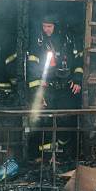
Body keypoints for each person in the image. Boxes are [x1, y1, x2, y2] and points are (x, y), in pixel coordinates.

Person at [26, 14, 83, 160]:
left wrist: (77, 80)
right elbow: (32, 68)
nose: (46, 30)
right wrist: (37, 93)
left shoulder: (68, 41)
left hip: (65, 89)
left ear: (56, 27)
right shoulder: (38, 43)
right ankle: (39, 156)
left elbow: (79, 62)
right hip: (47, 89)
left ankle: (65, 154)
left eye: (49, 26)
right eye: (44, 26)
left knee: (66, 120)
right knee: (42, 120)